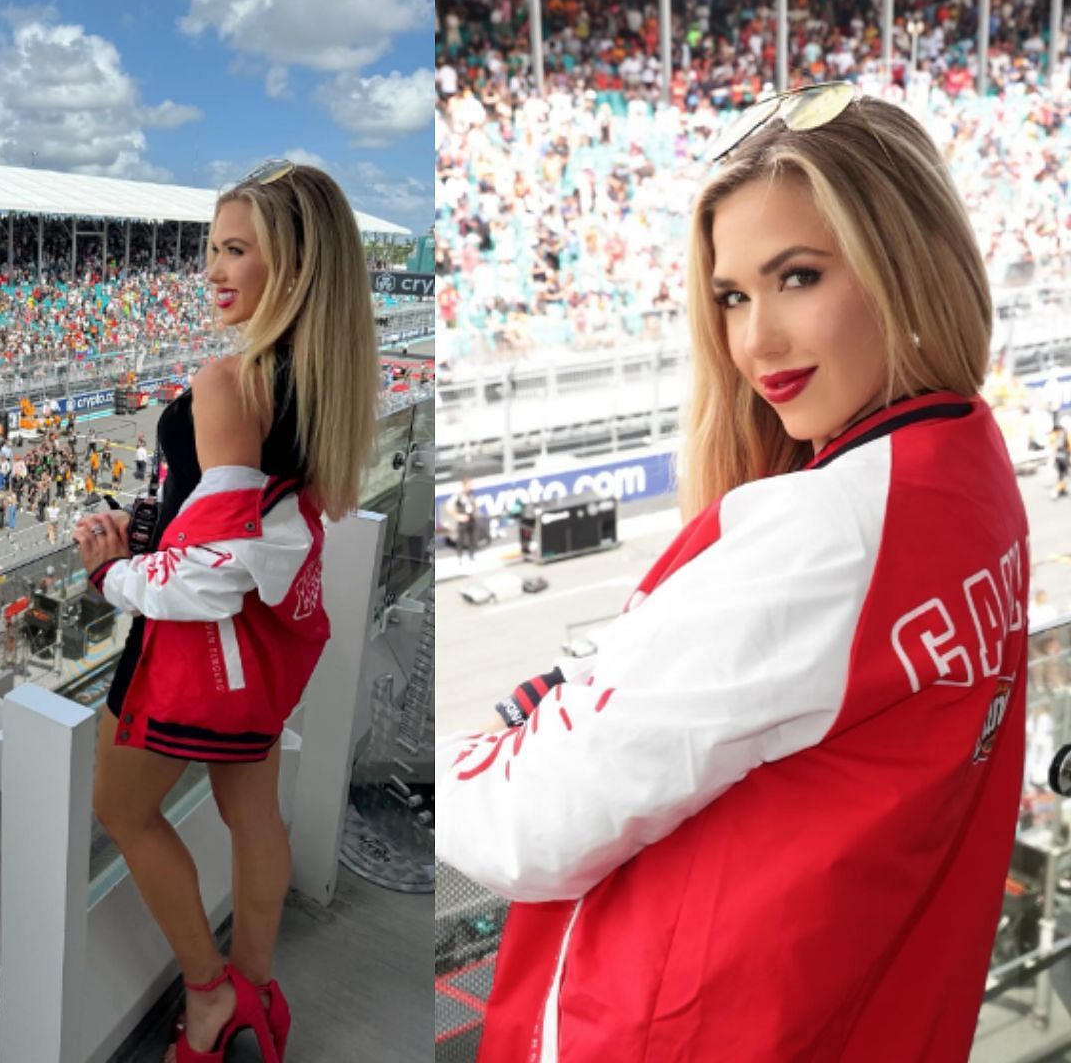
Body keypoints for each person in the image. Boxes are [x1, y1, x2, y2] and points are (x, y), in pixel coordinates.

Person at [437, 85, 1027, 1061]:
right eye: (733, 296)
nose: (755, 341)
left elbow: (532, 823)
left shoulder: (834, 525)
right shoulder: (968, 465)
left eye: (798, 277)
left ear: (906, 265)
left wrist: (458, 750)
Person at [72, 161, 378, 1062]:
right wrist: (153, 522)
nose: (215, 269)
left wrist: (112, 576)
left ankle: (210, 996)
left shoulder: (229, 379)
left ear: (294, 266)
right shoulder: (321, 382)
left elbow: (213, 572)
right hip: (263, 662)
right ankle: (258, 990)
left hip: (190, 654)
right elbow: (252, 517)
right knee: (255, 814)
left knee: (122, 812)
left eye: (237, 250)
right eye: (214, 248)